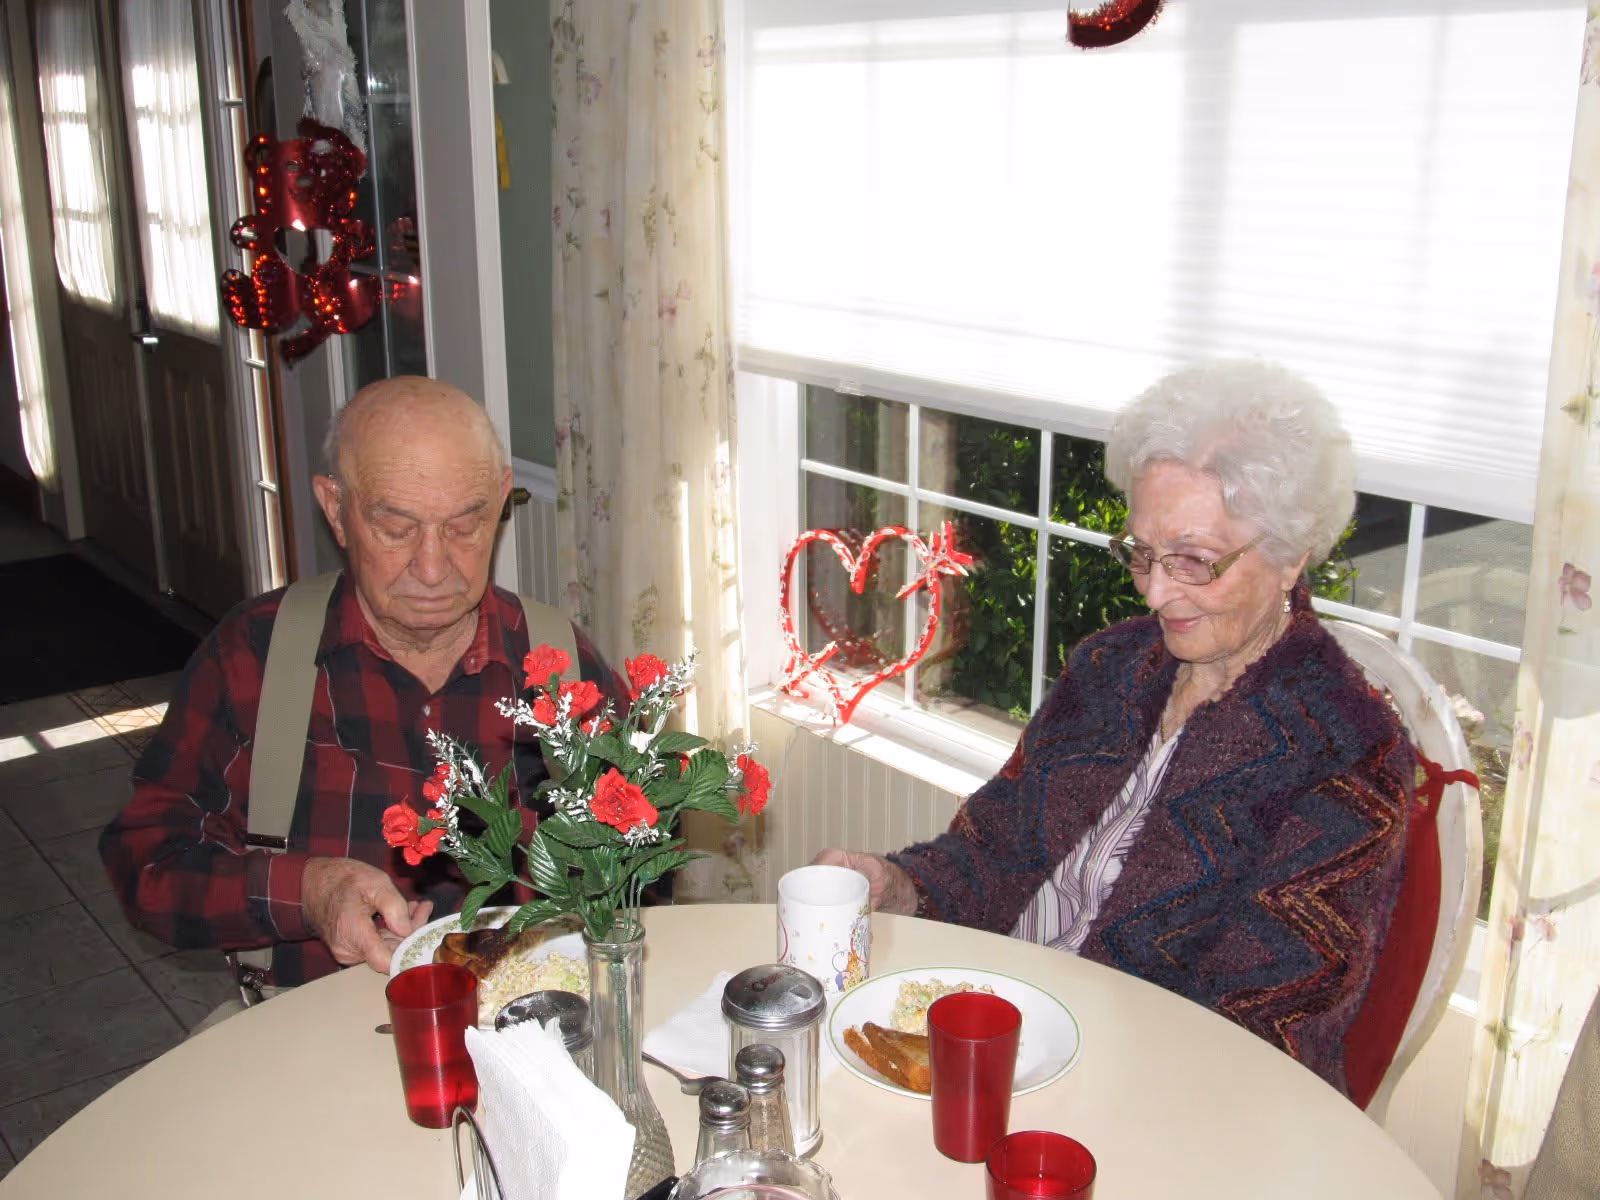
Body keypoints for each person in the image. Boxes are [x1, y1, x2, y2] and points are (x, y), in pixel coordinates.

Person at [817, 359, 1415, 1101]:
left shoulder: (1347, 751)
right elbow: (994, 855)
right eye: (1141, 553)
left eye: (1195, 560)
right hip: (998, 1044)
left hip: (1149, 1108)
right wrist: (901, 887)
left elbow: (1261, 1035)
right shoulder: (1111, 669)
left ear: (1291, 554)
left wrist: (1055, 1068)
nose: (1159, 592)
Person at [100, 376, 626, 993]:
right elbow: (148, 864)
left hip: (534, 1023)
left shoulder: (556, 661)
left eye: (464, 526)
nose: (433, 569)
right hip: (311, 1030)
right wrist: (309, 891)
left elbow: (642, 863)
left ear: (501, 498)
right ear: (335, 510)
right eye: (396, 527)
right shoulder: (256, 656)